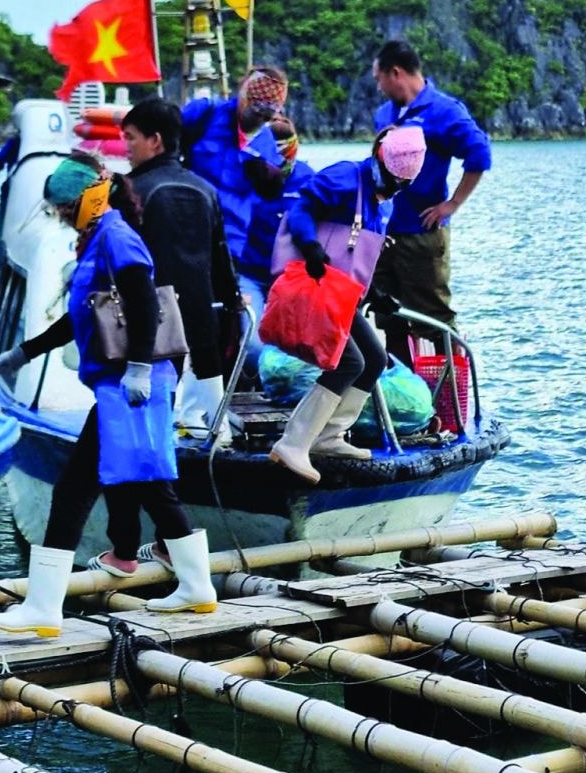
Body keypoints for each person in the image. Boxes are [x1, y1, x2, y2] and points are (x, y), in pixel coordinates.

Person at [0, 157, 215, 634]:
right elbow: (85, 316)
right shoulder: (97, 239)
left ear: (88, 197)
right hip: (120, 386)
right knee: (117, 486)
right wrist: (24, 353)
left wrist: (136, 368)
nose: (64, 217)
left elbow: (144, 302)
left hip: (133, 383)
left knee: (102, 488)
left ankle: (46, 607)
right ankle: (192, 586)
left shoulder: (115, 236)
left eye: (67, 208)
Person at [269, 126, 427, 483]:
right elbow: (301, 209)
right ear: (381, 160)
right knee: (348, 361)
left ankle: (329, 435)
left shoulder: (384, 200)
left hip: (342, 295)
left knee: (374, 359)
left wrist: (374, 296)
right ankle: (293, 443)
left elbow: (356, 257)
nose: (395, 187)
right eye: (392, 178)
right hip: (313, 284)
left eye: (403, 183)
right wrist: (310, 246)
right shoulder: (345, 177)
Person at [120, 97, 240, 439]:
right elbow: (221, 257)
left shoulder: (129, 192)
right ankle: (217, 433)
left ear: (155, 141)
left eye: (130, 137)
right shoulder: (206, 189)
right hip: (202, 316)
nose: (125, 146)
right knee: (214, 413)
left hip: (147, 324)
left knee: (151, 420)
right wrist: (232, 298)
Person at [370, 39, 492, 359]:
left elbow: (479, 154)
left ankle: (449, 397)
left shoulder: (444, 111)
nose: (379, 87)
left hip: (423, 232)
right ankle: (404, 393)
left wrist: (452, 204)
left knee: (434, 317)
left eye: (378, 79)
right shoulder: (384, 114)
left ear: (395, 73)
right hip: (384, 232)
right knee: (389, 316)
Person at [181, 66, 288, 291]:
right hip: (186, 231)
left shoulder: (267, 143)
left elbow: (270, 199)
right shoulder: (204, 114)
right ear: (244, 94)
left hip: (231, 244)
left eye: (267, 115)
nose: (259, 118)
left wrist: (271, 179)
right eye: (256, 109)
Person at [238, 116, 312, 367]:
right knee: (253, 346)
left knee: (293, 346)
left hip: (290, 278)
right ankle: (251, 382)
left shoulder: (308, 180)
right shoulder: (249, 177)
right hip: (250, 273)